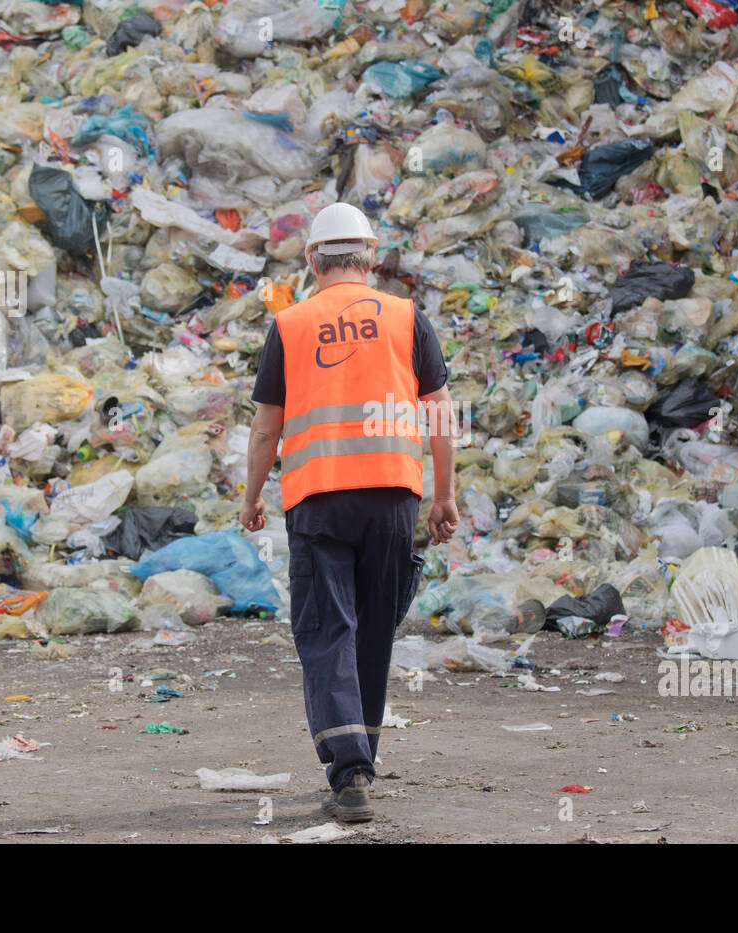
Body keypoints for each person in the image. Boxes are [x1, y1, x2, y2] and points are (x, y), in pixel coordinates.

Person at [240, 203, 459, 823]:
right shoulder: (406, 317)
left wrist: (253, 494)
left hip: (317, 498)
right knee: (371, 628)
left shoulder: (290, 324)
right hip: (393, 495)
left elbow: (265, 430)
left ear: (312, 259)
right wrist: (443, 494)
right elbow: (440, 412)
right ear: (371, 255)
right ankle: (360, 757)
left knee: (327, 629)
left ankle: (351, 769)